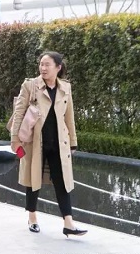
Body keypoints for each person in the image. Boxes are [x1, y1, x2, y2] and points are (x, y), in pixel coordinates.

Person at [10, 51, 87, 237]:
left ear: (58, 68)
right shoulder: (30, 85)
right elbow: (18, 112)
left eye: (47, 65)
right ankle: (32, 217)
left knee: (62, 181)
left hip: (59, 142)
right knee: (33, 180)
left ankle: (68, 222)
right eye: (41, 64)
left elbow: (69, 117)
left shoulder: (65, 88)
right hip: (35, 141)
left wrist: (73, 141)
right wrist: (15, 139)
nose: (43, 68)